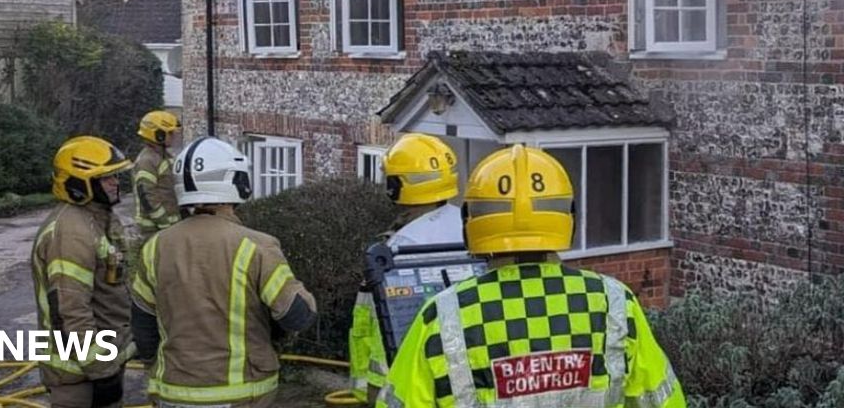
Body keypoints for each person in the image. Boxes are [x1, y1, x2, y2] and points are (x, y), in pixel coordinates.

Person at [376, 144, 686, 408]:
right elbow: (663, 400)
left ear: (471, 221)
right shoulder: (614, 303)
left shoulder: (443, 315)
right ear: (568, 217)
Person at [130, 136, 317, 407]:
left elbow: (143, 326)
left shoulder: (155, 247)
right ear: (237, 182)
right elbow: (296, 315)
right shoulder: (257, 246)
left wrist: (156, 367)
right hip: (242, 394)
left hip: (173, 392)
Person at [349, 133, 465, 405]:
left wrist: (373, 387)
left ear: (395, 186)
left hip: (409, 371)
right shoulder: (469, 226)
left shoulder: (401, 246)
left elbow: (381, 324)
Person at [31, 136, 138, 408]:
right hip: (79, 376)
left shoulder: (96, 220)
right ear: (79, 185)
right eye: (106, 178)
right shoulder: (71, 233)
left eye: (115, 176)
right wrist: (101, 370)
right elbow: (70, 311)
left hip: (100, 363)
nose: (115, 183)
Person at [133, 110, 182, 235]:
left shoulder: (164, 156)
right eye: (170, 133)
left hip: (169, 227)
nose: (174, 137)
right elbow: (148, 196)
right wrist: (164, 224)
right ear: (159, 135)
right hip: (152, 230)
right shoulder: (147, 161)